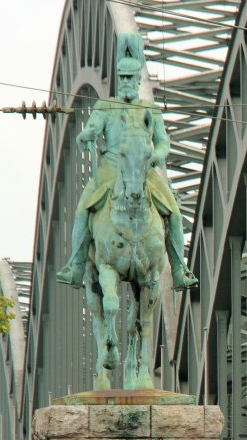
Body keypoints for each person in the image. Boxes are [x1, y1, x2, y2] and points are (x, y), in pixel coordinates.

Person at [56, 34, 197, 291]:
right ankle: (75, 266)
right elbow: (91, 129)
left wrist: (156, 156)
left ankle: (179, 269)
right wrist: (86, 135)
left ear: (138, 79)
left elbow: (163, 143)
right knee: (82, 210)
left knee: (175, 214)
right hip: (111, 169)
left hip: (144, 170)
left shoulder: (151, 110)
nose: (126, 83)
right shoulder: (105, 106)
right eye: (122, 78)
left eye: (131, 78)